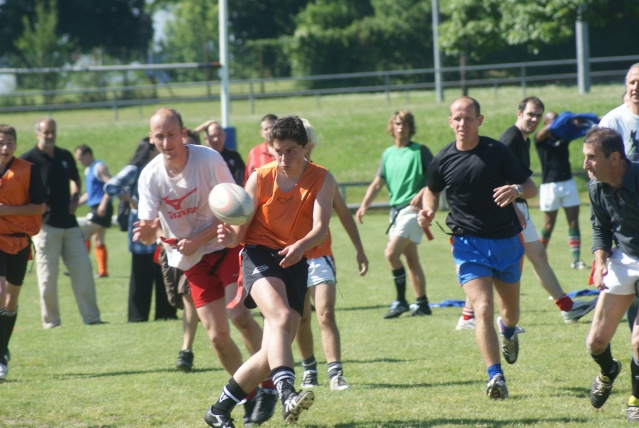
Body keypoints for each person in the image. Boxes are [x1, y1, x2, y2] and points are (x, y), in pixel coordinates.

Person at [135, 108, 272, 426]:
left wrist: (199, 238)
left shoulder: (208, 159)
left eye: (172, 134)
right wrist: (146, 233)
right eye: (160, 136)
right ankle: (249, 397)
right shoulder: (150, 176)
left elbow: (236, 206)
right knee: (217, 337)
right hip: (190, 259)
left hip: (224, 246)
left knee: (239, 315)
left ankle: (268, 387)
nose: (167, 141)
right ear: (152, 139)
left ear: (183, 133)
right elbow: (148, 224)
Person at [204, 115, 335, 427]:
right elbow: (239, 235)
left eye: (291, 151)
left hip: (295, 259)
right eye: (278, 151)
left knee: (271, 351)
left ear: (306, 147)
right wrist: (228, 236)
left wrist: (301, 246)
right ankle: (287, 393)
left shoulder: (322, 178)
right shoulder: (259, 177)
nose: (283, 158)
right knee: (281, 318)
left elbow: (320, 229)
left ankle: (218, 410)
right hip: (259, 254)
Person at [418, 96, 537, 399]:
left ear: (479, 121)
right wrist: (429, 211)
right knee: (482, 307)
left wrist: (518, 190)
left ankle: (509, 332)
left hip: (506, 241)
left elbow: (532, 188)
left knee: (510, 313)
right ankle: (495, 376)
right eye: (457, 119)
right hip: (467, 244)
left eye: (468, 118)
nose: (462, 124)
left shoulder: (498, 152)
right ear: (450, 122)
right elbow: (431, 192)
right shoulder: (442, 159)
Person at [499, 98, 597, 323]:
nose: (534, 119)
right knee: (496, 262)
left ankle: (567, 307)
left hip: (518, 206)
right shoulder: (510, 138)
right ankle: (469, 315)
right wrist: (513, 207)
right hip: (509, 209)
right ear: (519, 113)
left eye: (537, 116)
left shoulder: (523, 139)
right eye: (530, 114)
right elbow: (496, 174)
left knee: (538, 256)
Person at [295, 118, 369, 391]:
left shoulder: (323, 177)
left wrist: (359, 249)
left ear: (309, 145)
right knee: (301, 317)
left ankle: (335, 373)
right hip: (292, 258)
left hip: (320, 255)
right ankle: (309, 369)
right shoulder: (277, 178)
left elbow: (344, 214)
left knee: (325, 314)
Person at [21, 117, 102, 329]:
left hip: (69, 224)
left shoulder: (65, 155)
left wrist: (75, 199)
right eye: (46, 132)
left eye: (53, 131)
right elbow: (17, 189)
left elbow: (76, 180)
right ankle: (52, 322)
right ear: (37, 133)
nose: (50, 136)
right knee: (47, 279)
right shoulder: (28, 160)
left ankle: (92, 318)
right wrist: (32, 209)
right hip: (45, 227)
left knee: (83, 270)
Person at [581, 127, 639, 422]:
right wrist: (600, 261)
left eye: (591, 157)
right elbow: (600, 229)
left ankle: (636, 399)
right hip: (624, 259)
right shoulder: (596, 187)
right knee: (595, 342)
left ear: (615, 157)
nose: (585, 165)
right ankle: (608, 370)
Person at [355, 109, 433, 319]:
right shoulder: (388, 153)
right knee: (411, 260)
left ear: (410, 127)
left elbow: (437, 177)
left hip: (412, 210)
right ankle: (423, 303)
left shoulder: (420, 151)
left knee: (391, 254)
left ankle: (401, 301)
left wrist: (422, 193)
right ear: (392, 127)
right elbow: (377, 183)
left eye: (405, 124)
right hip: (395, 212)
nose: (401, 127)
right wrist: (363, 206)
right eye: (397, 123)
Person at [104, 138, 176, 323]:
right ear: (150, 150)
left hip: (161, 227)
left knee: (163, 270)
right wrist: (130, 200)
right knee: (140, 273)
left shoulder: (161, 169)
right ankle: (137, 316)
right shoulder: (135, 170)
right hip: (141, 226)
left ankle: (166, 313)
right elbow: (111, 186)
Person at [0, 124, 46, 382]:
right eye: (0, 142)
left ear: (15, 145)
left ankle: (2, 349)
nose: (4, 148)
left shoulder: (28, 170)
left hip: (19, 243)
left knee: (10, 301)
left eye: (9, 143)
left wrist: (5, 211)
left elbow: (39, 207)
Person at [535, 110, 599, 270]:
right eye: (551, 121)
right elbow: (545, 132)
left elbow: (580, 130)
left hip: (567, 182)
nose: (556, 124)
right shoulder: (540, 139)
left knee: (573, 222)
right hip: (549, 186)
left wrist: (576, 122)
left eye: (557, 120)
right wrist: (556, 123)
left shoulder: (564, 136)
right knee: (549, 224)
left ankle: (576, 260)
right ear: (546, 123)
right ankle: (539, 257)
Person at [74, 144, 113, 278]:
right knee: (98, 240)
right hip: (96, 206)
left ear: (88, 155)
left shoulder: (99, 167)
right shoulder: (88, 170)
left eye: (80, 158)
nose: (80, 162)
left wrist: (103, 204)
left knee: (84, 234)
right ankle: (103, 271)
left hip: (101, 207)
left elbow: (111, 185)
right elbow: (90, 194)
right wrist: (75, 204)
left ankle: (79, 268)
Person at [598, 63, 639, 161]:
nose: (636, 88)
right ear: (626, 86)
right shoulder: (612, 121)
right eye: (632, 83)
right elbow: (600, 160)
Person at [196, 119, 245, 185]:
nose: (216, 139)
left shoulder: (234, 155)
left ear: (224, 136)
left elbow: (242, 177)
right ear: (206, 138)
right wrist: (204, 125)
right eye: (212, 136)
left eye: (219, 135)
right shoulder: (201, 156)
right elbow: (187, 138)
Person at [244, 114, 277, 184]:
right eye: (266, 129)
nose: (269, 131)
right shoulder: (254, 152)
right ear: (261, 132)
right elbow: (247, 179)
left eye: (273, 127)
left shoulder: (288, 150)